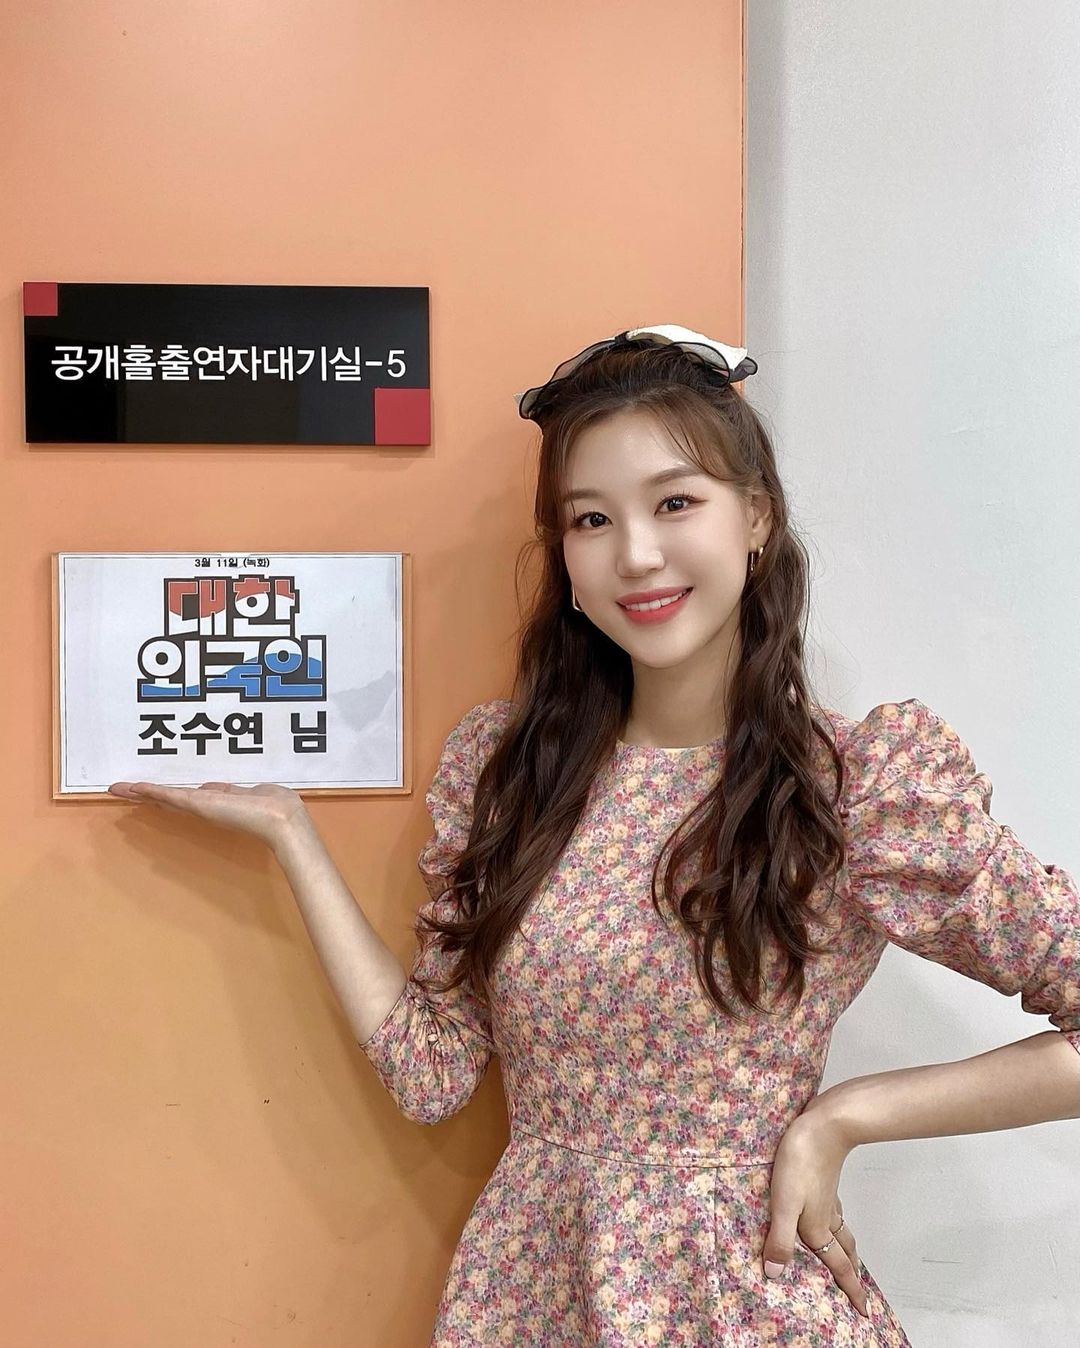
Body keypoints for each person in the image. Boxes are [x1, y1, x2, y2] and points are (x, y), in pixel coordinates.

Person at [108, 325, 1080, 1346]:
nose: (637, 553)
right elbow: (431, 1074)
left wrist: (846, 1117)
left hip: (742, 1304)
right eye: (591, 518)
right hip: (534, 1297)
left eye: (675, 502)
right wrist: (291, 834)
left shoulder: (857, 790)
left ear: (755, 517)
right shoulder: (511, 774)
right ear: (565, 558)